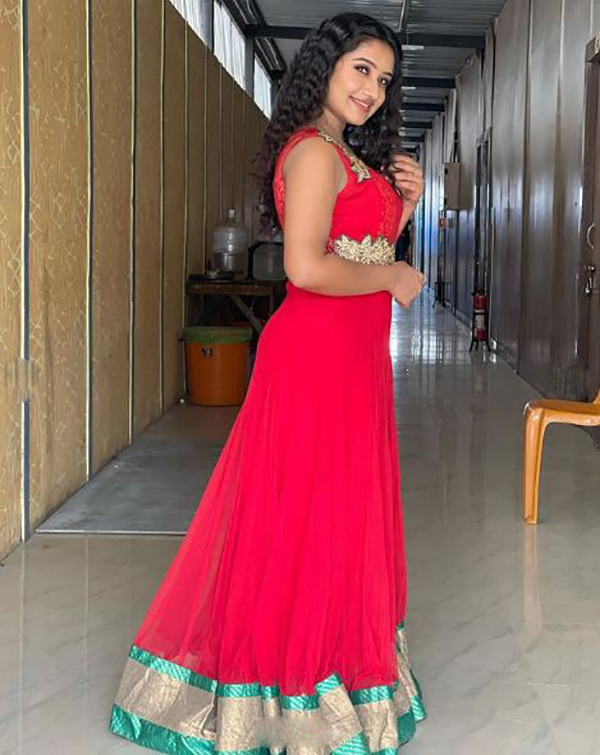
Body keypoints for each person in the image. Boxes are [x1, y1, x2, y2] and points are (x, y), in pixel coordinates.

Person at [108, 12, 426, 753]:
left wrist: (403, 207)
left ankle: (331, 669)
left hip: (353, 360)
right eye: (360, 70)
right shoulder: (313, 152)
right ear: (325, 67)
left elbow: (360, 247)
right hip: (315, 358)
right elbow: (307, 268)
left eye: (384, 79)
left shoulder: (346, 155)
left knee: (337, 512)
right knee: (303, 517)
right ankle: (287, 689)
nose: (373, 90)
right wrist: (394, 275)